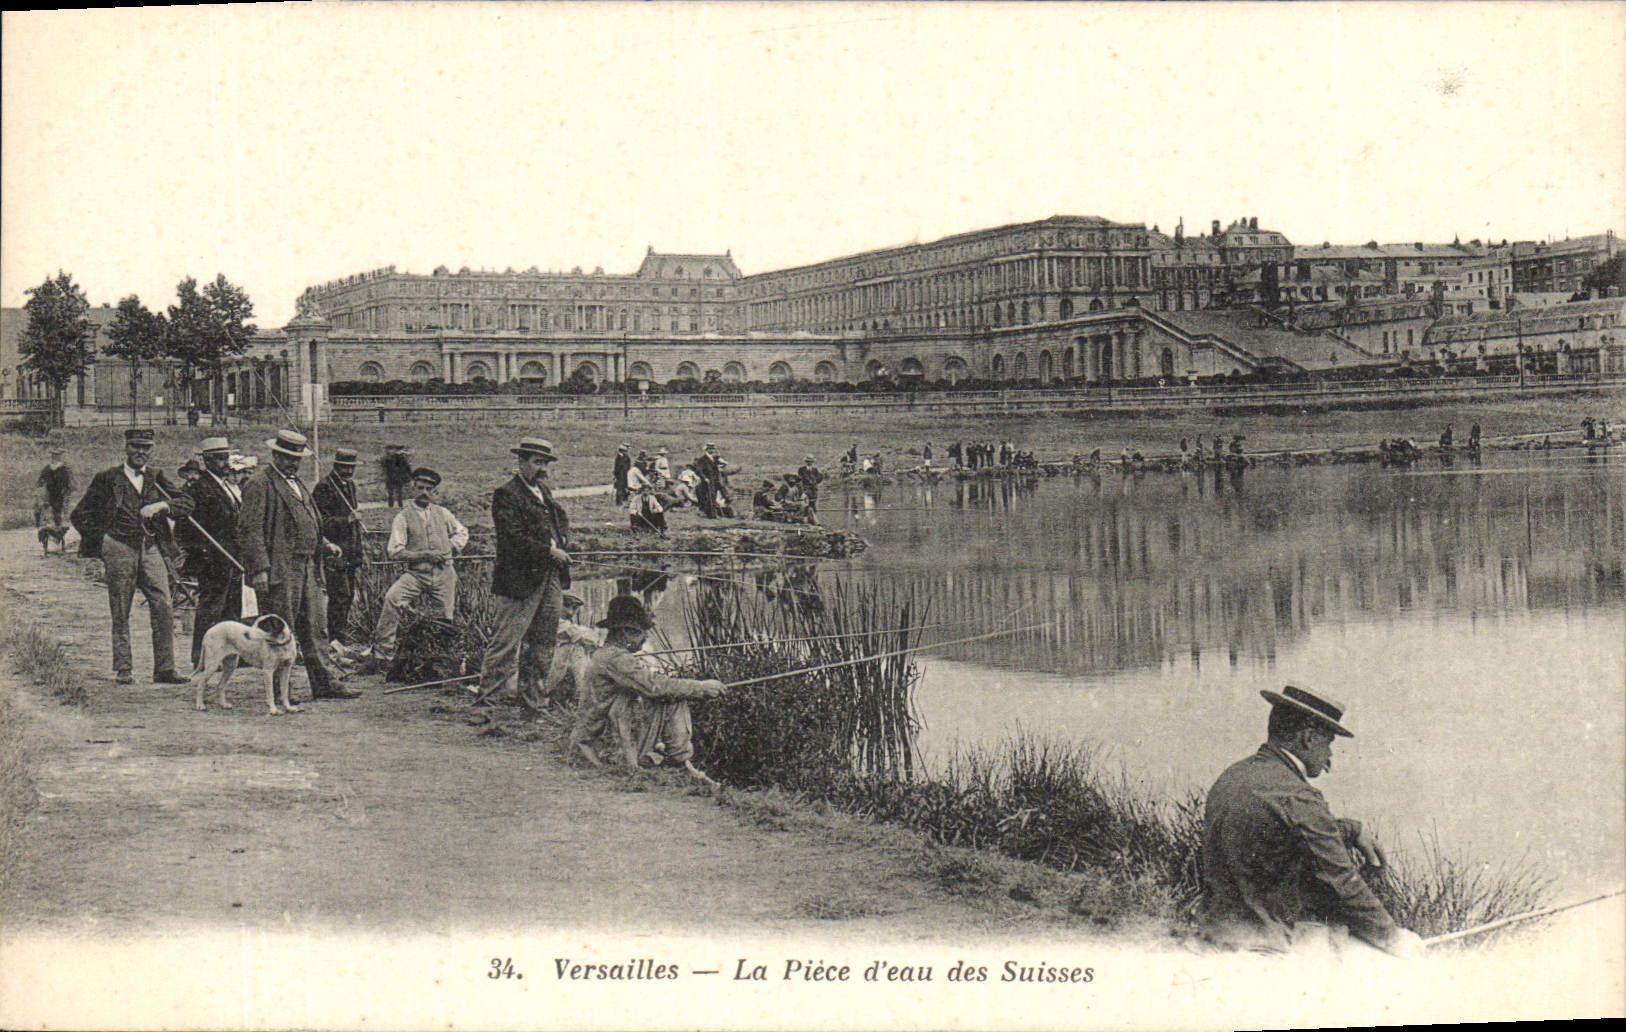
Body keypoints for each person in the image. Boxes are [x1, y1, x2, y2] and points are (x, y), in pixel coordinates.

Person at [1201, 684, 1422, 958]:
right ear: (1307, 738)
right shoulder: (1299, 797)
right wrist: (1393, 938)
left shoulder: (1232, 777)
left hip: (1214, 934)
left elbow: (1282, 831)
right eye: (1328, 743)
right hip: (1265, 947)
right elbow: (1343, 883)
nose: (1329, 757)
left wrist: (1352, 830)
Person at [238, 429, 357, 701]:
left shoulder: (298, 484)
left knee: (316, 628)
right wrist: (259, 569)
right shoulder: (260, 484)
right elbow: (250, 530)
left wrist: (324, 544)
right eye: (288, 457)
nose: (293, 463)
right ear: (275, 455)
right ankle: (282, 690)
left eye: (297, 459)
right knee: (280, 629)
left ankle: (325, 683)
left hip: (308, 566)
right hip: (279, 568)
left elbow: (308, 520)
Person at [69, 428, 192, 686]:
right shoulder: (107, 478)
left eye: (146, 447)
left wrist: (162, 505)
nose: (141, 452)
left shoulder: (156, 477)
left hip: (151, 547)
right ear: (126, 448)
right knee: (121, 607)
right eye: (136, 446)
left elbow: (186, 502)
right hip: (119, 547)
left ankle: (165, 668)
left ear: (151, 450)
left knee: (164, 604)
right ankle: (124, 668)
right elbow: (79, 514)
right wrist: (102, 541)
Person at [569, 595, 725, 782]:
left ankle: (671, 755)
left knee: (664, 695)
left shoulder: (606, 654)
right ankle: (680, 761)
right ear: (627, 632)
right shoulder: (616, 658)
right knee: (673, 698)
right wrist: (701, 687)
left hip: (593, 739)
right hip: (601, 746)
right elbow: (655, 687)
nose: (645, 639)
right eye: (642, 632)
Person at [475, 437, 571, 712]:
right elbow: (512, 538)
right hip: (519, 580)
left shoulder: (544, 491)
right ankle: (486, 706)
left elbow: (559, 520)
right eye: (537, 462)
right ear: (521, 462)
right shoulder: (506, 494)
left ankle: (533, 703)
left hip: (550, 577)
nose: (542, 469)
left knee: (543, 643)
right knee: (506, 644)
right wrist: (549, 551)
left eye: (546, 463)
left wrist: (563, 541)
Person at [368, 468, 469, 669]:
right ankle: (383, 653)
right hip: (417, 574)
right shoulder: (403, 517)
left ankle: (442, 657)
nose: (424, 492)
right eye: (420, 488)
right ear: (413, 488)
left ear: (434, 491)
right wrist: (423, 555)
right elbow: (395, 551)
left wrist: (450, 547)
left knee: (445, 615)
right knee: (393, 598)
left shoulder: (443, 513)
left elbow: (462, 532)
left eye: (428, 489)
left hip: (444, 574)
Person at [179, 436, 243, 669]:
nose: (225, 462)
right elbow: (184, 528)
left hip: (233, 559)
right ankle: (202, 657)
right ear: (207, 461)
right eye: (219, 458)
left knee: (232, 609)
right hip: (213, 561)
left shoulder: (226, 486)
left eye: (226, 457)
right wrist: (204, 553)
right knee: (211, 609)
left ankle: (230, 655)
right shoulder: (199, 488)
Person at [313, 447, 365, 643]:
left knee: (349, 596)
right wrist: (346, 520)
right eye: (344, 467)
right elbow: (320, 523)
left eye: (351, 467)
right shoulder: (324, 487)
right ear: (336, 465)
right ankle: (334, 638)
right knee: (339, 596)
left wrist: (358, 551)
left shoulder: (350, 486)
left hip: (350, 551)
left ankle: (340, 635)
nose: (348, 471)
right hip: (334, 551)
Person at [543, 591, 600, 703]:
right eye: (566, 605)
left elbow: (589, 637)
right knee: (575, 648)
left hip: (552, 671)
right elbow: (586, 636)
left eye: (574, 608)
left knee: (576, 648)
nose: (570, 612)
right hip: (539, 673)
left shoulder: (566, 624)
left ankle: (582, 695)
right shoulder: (550, 620)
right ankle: (584, 696)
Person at [36, 447, 73, 553]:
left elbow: (69, 485)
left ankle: (59, 541)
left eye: (57, 455)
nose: (55, 457)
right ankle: (49, 542)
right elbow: (40, 482)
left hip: (59, 496)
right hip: (49, 495)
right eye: (54, 455)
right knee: (49, 517)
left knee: (57, 517)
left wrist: (67, 495)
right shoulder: (48, 468)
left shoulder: (64, 469)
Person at [380, 444, 412, 508]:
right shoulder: (399, 459)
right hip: (394, 478)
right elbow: (408, 469)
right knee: (396, 493)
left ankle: (393, 506)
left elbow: (407, 468)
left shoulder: (389, 459)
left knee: (394, 493)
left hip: (392, 478)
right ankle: (397, 506)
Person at [693, 444, 721, 517]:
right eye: (710, 449)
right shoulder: (702, 459)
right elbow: (699, 470)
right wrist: (704, 478)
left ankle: (712, 513)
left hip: (714, 481)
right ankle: (711, 514)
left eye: (713, 449)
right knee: (709, 496)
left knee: (713, 496)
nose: (712, 450)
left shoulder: (714, 459)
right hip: (706, 481)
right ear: (706, 450)